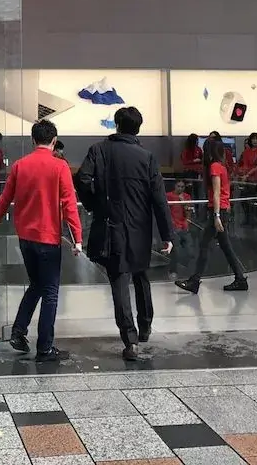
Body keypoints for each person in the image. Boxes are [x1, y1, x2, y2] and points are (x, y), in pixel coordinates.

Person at [0, 119, 82, 362]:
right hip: (48, 238)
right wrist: (77, 237)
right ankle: (45, 348)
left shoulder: (20, 166)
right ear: (54, 141)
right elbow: (69, 204)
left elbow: (3, 202)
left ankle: (18, 331)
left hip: (26, 239)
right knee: (51, 291)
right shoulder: (60, 167)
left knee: (36, 285)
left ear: (33, 140)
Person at [76, 107, 174, 360]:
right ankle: (146, 325)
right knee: (140, 275)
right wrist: (167, 234)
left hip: (111, 228)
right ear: (138, 128)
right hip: (140, 229)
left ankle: (129, 340)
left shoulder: (99, 150)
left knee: (119, 281)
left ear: (116, 124)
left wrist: (95, 205)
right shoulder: (147, 157)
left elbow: (83, 180)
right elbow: (159, 199)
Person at [176, 137, 248, 294]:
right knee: (225, 246)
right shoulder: (220, 166)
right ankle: (240, 278)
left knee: (204, 245)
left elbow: (216, 193)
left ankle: (194, 281)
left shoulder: (214, 167)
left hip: (218, 210)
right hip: (222, 209)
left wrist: (215, 216)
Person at [238, 132, 257, 227]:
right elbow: (243, 165)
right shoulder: (246, 151)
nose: (255, 141)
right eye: (253, 139)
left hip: (255, 179)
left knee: (254, 201)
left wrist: (248, 174)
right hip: (246, 179)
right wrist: (243, 174)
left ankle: (255, 221)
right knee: (244, 200)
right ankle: (247, 219)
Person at [167, 179, 193, 279]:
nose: (180, 188)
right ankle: (173, 271)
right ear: (175, 186)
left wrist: (184, 202)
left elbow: (189, 213)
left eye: (182, 187)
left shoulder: (186, 197)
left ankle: (189, 271)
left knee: (190, 251)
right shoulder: (169, 196)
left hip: (184, 227)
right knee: (175, 251)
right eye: (179, 186)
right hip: (174, 227)